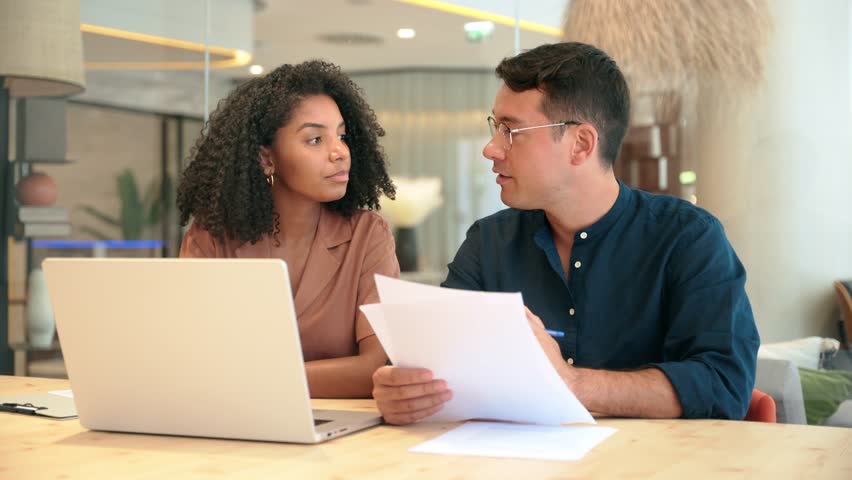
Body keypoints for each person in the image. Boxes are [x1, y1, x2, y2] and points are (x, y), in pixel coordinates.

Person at [372, 42, 760, 424]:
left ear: (581, 144)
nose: (491, 149)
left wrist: (575, 383)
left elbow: (724, 384)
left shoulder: (687, 238)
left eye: (511, 131)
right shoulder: (489, 242)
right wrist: (403, 390)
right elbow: (436, 360)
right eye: (495, 127)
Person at [176, 60, 399, 398]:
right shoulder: (213, 236)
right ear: (267, 158)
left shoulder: (368, 236)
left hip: (343, 437)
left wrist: (251, 378)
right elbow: (190, 359)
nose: (339, 152)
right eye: (314, 140)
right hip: (233, 425)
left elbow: (373, 370)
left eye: (341, 135)